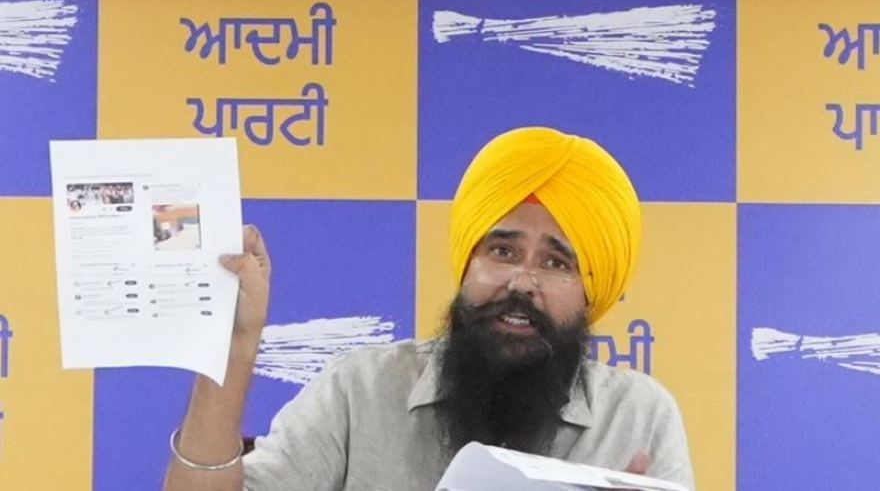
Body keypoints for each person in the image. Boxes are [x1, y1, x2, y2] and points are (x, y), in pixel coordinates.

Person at [161, 126, 695, 491]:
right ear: (466, 264)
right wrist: (233, 350)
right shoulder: (362, 391)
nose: (521, 282)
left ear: (592, 292)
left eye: (556, 264)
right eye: (502, 251)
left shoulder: (639, 417)